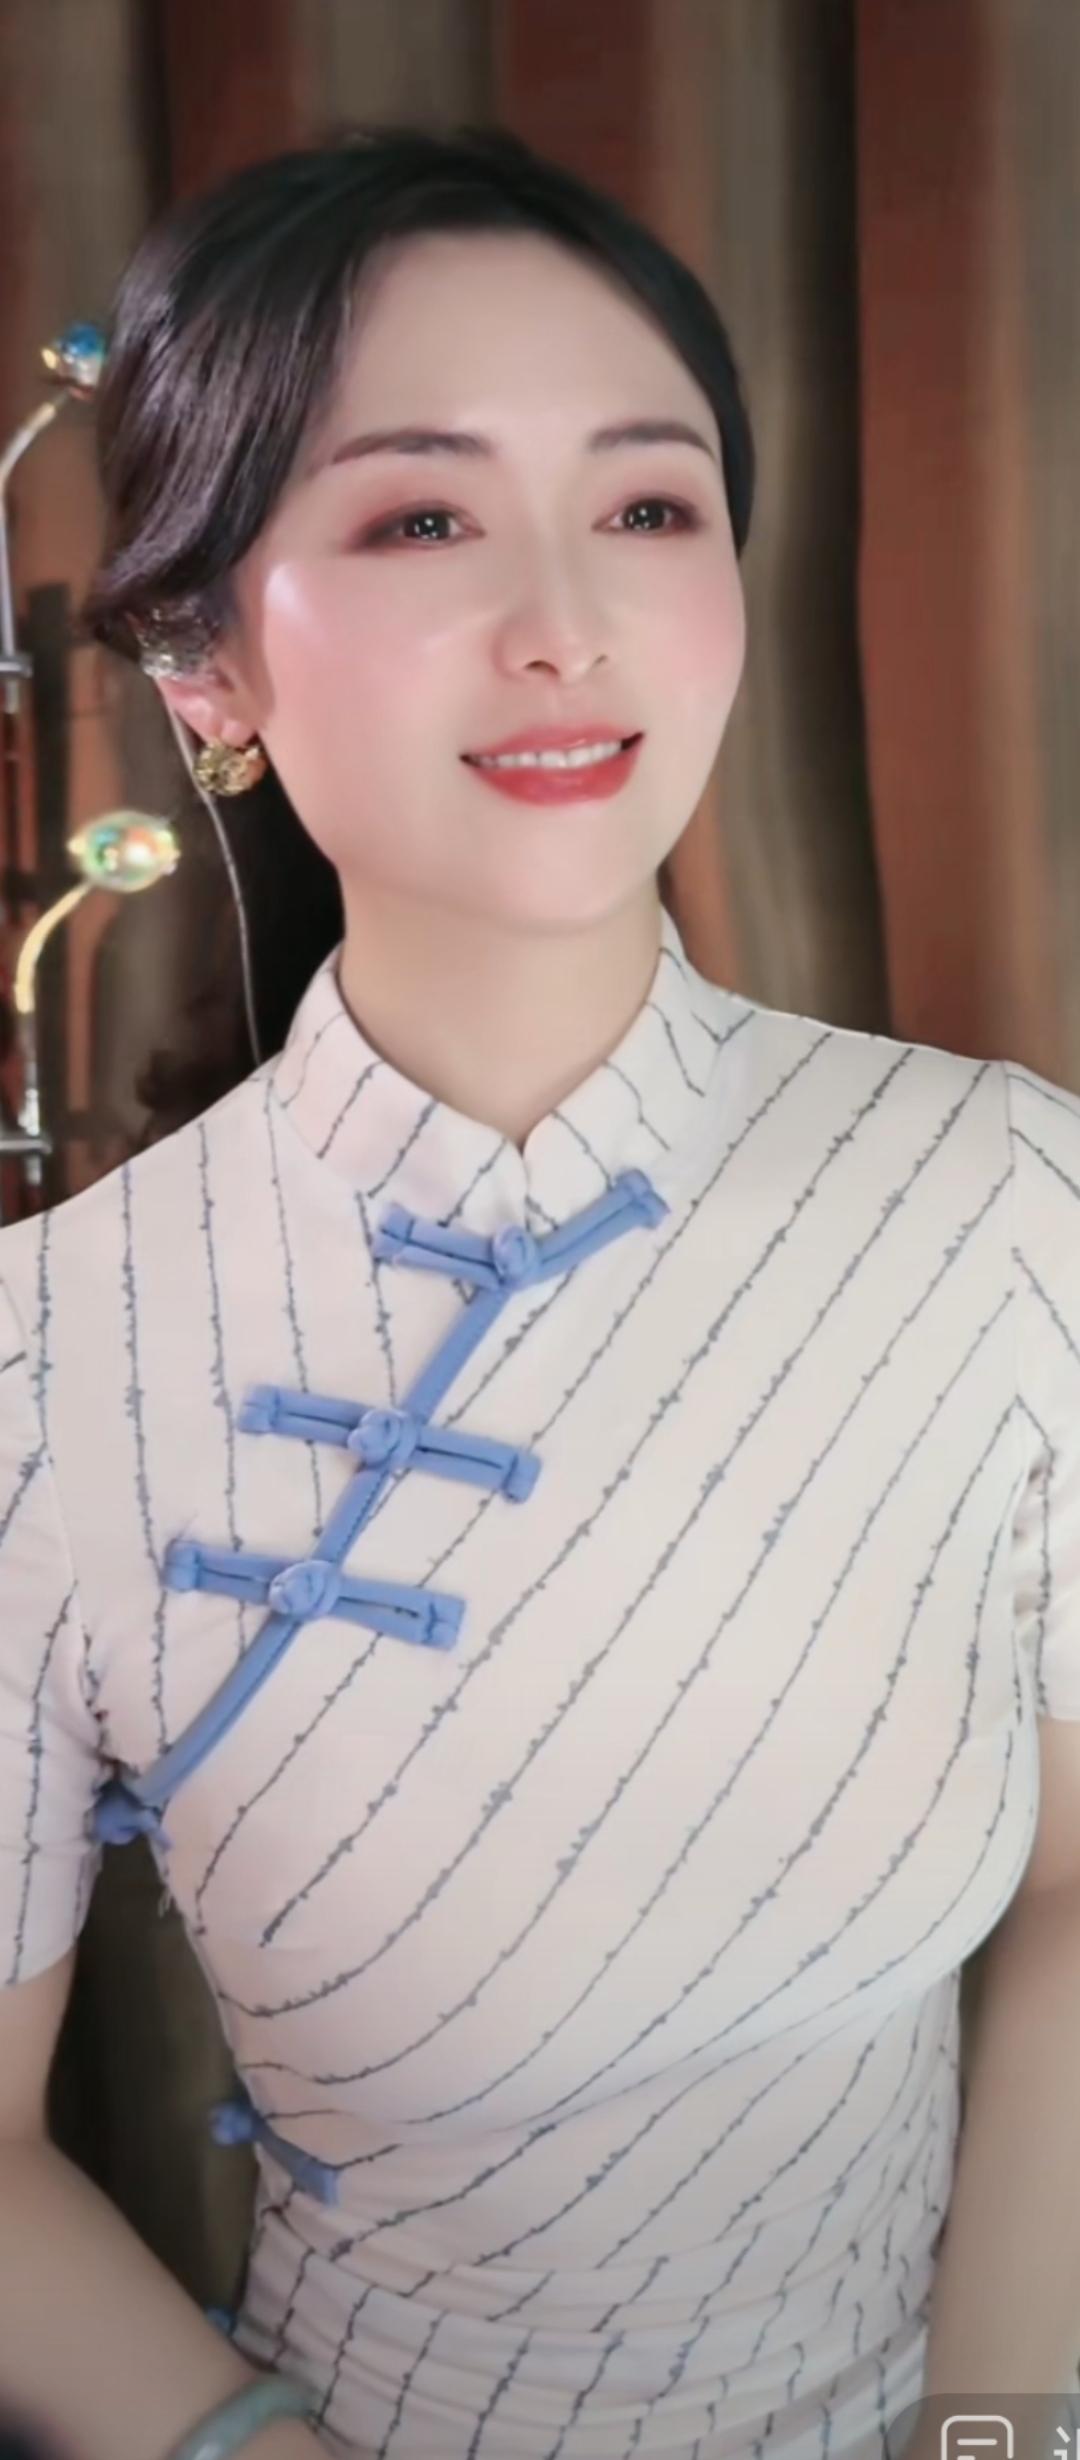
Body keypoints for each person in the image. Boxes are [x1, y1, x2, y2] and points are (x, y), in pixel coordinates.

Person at [1, 119, 1079, 2460]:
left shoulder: (1005, 1192)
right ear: (202, 663)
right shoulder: (50, 1358)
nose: (566, 622)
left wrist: (1003, 2432)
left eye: (649, 505)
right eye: (421, 519)